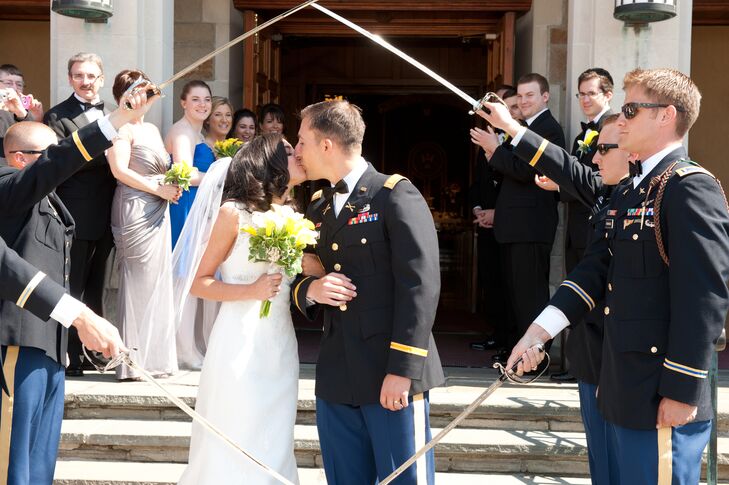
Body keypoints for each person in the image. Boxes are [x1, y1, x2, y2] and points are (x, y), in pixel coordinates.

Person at [507, 68, 729, 485]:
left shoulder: (689, 188)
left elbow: (705, 297)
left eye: (630, 108)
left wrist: (682, 390)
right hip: (622, 386)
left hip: (662, 394)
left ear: (666, 115)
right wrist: (539, 331)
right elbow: (596, 270)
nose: (619, 118)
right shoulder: (631, 191)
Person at [0, 85, 156, 485]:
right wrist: (116, 119)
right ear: (21, 159)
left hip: (49, 345)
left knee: (39, 467)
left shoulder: (48, 199)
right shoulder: (7, 186)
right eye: (47, 157)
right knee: (12, 465)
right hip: (17, 345)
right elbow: (59, 160)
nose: (61, 168)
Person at [292, 100, 444, 484]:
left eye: (302, 141)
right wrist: (313, 288)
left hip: (388, 373)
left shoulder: (393, 194)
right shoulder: (317, 206)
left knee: (404, 479)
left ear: (326, 145)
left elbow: (420, 286)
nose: (297, 151)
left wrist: (402, 370)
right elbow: (302, 275)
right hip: (337, 373)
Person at [478, 103, 629, 484]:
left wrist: (512, 128)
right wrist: (513, 127)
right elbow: (568, 168)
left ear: (632, 149)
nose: (594, 157)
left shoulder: (664, 194)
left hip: (630, 361)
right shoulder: (607, 191)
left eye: (604, 149)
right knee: (603, 466)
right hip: (592, 355)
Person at [177, 133, 308, 484]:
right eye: (291, 152)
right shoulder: (232, 213)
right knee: (237, 428)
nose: (300, 156)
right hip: (239, 339)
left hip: (280, 341)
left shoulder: (292, 214)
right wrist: (250, 290)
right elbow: (198, 280)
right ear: (271, 162)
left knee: (276, 431)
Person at [470, 73, 566, 368]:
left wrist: (493, 149)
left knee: (530, 298)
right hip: (515, 228)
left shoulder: (547, 129)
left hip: (530, 227)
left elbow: (527, 172)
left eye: (529, 96)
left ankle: (536, 360)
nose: (523, 101)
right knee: (517, 296)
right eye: (520, 96)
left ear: (545, 97)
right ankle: (519, 354)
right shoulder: (526, 128)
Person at [43, 52, 115, 377]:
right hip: (74, 214)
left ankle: (94, 352)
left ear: (101, 79)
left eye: (91, 76)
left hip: (108, 214)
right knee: (74, 288)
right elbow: (67, 160)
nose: (85, 82)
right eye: (78, 76)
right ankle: (70, 354)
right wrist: (112, 150)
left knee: (97, 287)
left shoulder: (112, 114)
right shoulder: (57, 116)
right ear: (70, 79)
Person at [107, 70, 181, 381]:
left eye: (148, 93)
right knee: (138, 283)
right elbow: (119, 170)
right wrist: (157, 188)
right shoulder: (120, 129)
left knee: (158, 282)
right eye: (141, 93)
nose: (146, 99)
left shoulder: (152, 128)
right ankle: (132, 362)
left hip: (158, 209)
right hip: (135, 209)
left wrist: (172, 184)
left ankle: (155, 359)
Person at [551, 68, 614, 384]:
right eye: (581, 94)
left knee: (592, 303)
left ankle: (588, 368)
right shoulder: (580, 136)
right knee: (574, 298)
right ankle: (574, 366)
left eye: (592, 93)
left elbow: (597, 182)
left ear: (608, 95)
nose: (585, 99)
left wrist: (557, 186)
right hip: (576, 227)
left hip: (596, 229)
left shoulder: (613, 131)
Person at [467, 87, 515, 352]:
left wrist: (498, 213)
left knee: (508, 283)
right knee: (490, 281)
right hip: (485, 222)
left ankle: (510, 339)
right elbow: (479, 182)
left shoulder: (515, 141)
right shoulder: (486, 137)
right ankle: (497, 333)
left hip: (507, 222)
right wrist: (478, 209)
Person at [165, 80, 214, 247]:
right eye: (195, 99)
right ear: (183, 103)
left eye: (207, 99)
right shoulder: (182, 131)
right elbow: (186, 174)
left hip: (197, 204)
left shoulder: (197, 134)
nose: (202, 104)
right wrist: (222, 177)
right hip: (185, 203)